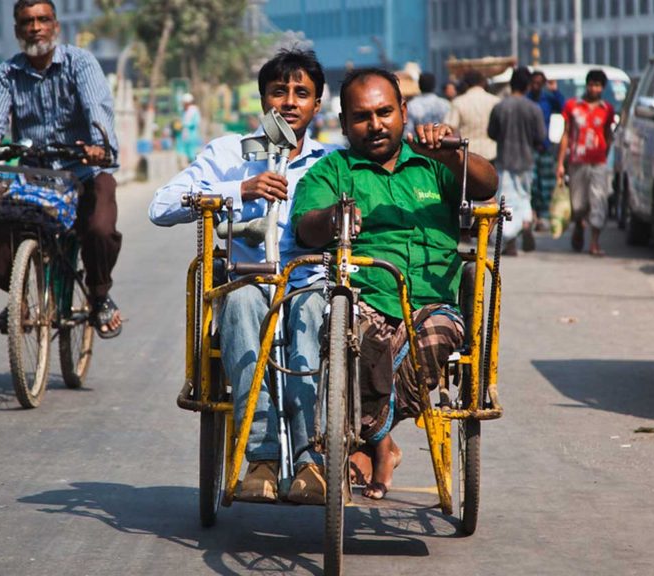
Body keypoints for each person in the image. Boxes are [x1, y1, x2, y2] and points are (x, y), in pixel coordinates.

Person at [290, 67, 497, 500]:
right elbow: (304, 228)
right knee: (350, 337)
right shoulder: (333, 171)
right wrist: (332, 219)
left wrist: (453, 153)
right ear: (345, 123)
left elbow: (486, 185)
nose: (376, 124)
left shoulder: (433, 163)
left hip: (431, 304)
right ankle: (379, 443)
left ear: (403, 111)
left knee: (438, 336)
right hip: (364, 296)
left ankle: (370, 439)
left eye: (385, 112)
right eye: (362, 116)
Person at [150, 48, 338, 505]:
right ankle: (261, 457)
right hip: (248, 281)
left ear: (317, 104)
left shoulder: (331, 161)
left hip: (309, 282)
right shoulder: (230, 153)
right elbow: (161, 206)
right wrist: (239, 189)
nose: (290, 102)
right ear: (263, 101)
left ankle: (310, 456)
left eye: (301, 93)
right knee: (239, 303)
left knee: (311, 313)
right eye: (279, 92)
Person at [0, 0, 123, 338]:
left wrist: (101, 147)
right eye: (27, 21)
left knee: (99, 229)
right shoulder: (6, 73)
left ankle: (99, 298)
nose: (35, 27)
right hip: (37, 176)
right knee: (3, 215)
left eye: (42, 20)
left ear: (55, 25)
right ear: (17, 30)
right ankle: (18, 299)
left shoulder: (80, 62)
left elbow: (97, 108)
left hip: (85, 170)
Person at [487, 66, 546, 255]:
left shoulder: (500, 107)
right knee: (524, 196)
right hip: (527, 161)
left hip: (505, 160)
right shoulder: (533, 108)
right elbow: (540, 136)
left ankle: (511, 240)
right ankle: (526, 222)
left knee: (507, 202)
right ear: (528, 86)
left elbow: (492, 133)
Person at [555, 69, 614, 257]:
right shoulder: (572, 106)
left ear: (602, 88)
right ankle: (579, 225)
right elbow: (565, 134)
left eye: (598, 85)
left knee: (598, 201)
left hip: (598, 162)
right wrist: (560, 163)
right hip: (577, 161)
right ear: (587, 85)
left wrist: (608, 157)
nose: (594, 88)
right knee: (578, 204)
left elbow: (608, 135)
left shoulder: (607, 110)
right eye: (591, 84)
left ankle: (594, 243)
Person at [526, 70, 565, 230]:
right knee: (533, 183)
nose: (536, 86)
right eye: (533, 83)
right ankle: (533, 214)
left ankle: (542, 216)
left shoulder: (547, 99)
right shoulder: (526, 99)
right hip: (530, 148)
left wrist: (555, 90)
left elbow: (563, 106)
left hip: (545, 147)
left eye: (539, 83)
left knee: (546, 184)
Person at [445, 70, 500, 163]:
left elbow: (449, 128)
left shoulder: (458, 102)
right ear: (483, 83)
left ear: (466, 84)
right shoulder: (495, 101)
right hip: (491, 153)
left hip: (467, 154)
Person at [404, 72, 450, 139]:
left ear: (419, 86)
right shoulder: (445, 104)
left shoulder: (411, 105)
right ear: (434, 85)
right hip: (441, 143)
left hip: (419, 145)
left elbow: (408, 133)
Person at [176, 92, 202, 165]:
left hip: (191, 136)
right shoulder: (184, 111)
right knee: (185, 154)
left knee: (192, 154)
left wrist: (186, 125)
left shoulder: (194, 111)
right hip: (184, 136)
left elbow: (196, 122)